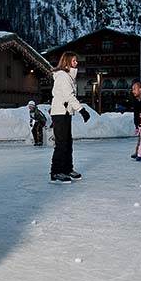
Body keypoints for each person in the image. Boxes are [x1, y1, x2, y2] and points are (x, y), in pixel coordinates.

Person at [49, 51, 90, 184]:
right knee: (61, 143)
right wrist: (81, 110)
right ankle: (56, 172)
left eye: (76, 60)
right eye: (74, 60)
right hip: (59, 113)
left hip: (65, 112)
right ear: (67, 62)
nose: (76, 63)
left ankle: (67, 169)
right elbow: (68, 96)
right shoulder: (63, 76)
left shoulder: (69, 77)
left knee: (67, 143)